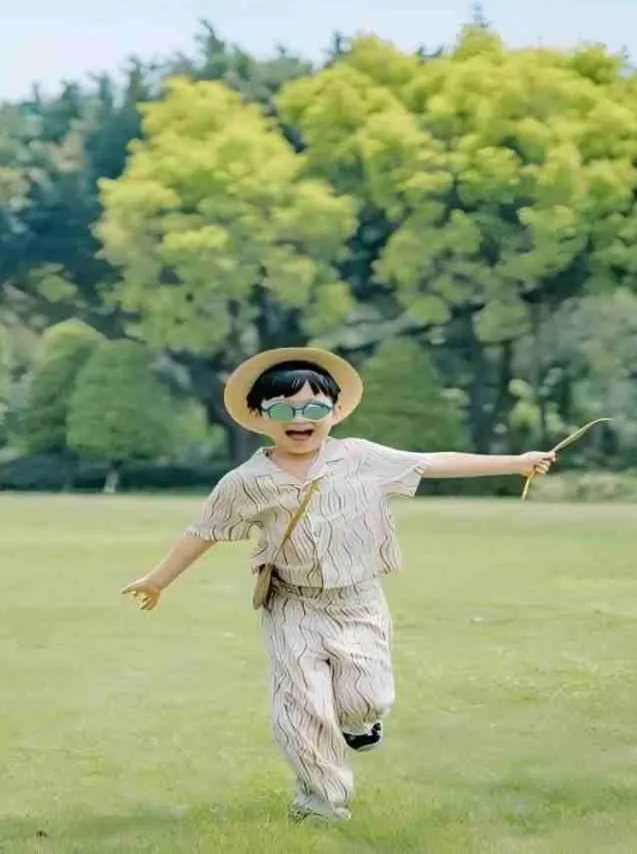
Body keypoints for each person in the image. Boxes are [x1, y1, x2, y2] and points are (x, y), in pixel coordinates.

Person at [120, 346, 556, 824]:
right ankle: (319, 800)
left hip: (359, 600)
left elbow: (432, 462)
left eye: (314, 408)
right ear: (259, 415)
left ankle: (362, 724)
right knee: (301, 703)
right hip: (292, 604)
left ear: (335, 410)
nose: (299, 419)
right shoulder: (246, 482)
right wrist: (157, 580)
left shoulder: (361, 457)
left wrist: (515, 461)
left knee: (368, 697)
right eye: (284, 410)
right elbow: (202, 531)